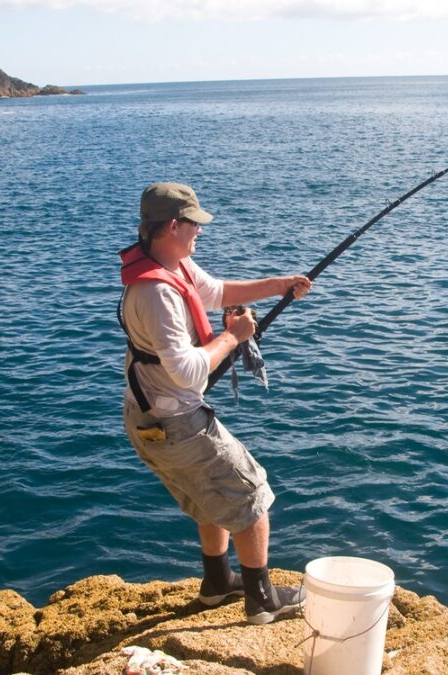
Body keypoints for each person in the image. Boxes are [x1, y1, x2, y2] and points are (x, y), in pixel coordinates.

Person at [118, 182, 312, 624]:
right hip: (177, 422)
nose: (199, 232)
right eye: (194, 224)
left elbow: (218, 292)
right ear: (172, 225)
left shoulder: (170, 265)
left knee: (211, 498)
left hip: (148, 419)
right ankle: (262, 601)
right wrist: (232, 337)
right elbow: (187, 371)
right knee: (252, 496)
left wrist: (281, 285)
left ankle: (216, 583)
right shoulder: (156, 293)